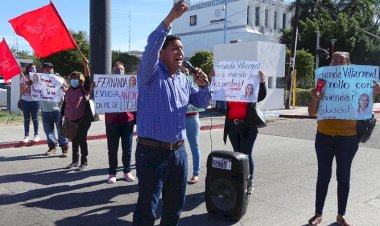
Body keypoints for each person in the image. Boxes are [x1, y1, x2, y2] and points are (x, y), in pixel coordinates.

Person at [132, 1, 212, 225]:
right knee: (147, 209)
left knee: (174, 206)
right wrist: (169, 19)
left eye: (182, 49)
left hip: (178, 154)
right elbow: (151, 46)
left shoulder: (184, 80)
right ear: (162, 54)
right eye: (174, 48)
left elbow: (200, 102)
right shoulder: (150, 73)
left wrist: (204, 86)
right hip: (151, 153)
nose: (180, 52)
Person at [307, 51, 380, 226]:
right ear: (330, 63)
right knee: (323, 176)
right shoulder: (322, 82)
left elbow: (366, 103)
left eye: (341, 60)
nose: (337, 62)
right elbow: (311, 112)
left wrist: (375, 92)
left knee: (344, 177)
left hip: (348, 138)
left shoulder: (359, 82)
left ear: (348, 64)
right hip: (323, 136)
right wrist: (314, 99)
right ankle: (318, 213)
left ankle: (341, 214)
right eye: (334, 59)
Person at [223, 71, 266, 195]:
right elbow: (216, 91)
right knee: (237, 154)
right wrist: (214, 78)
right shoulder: (230, 91)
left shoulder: (250, 91)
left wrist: (262, 82)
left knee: (246, 155)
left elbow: (261, 95)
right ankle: (238, 180)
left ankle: (249, 182)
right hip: (232, 126)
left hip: (248, 126)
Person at [106, 62, 136, 184]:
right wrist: (94, 87)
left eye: (121, 69)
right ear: (112, 71)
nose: (119, 71)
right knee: (112, 149)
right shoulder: (106, 84)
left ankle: (126, 171)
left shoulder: (130, 84)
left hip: (127, 120)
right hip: (112, 121)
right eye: (117, 69)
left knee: (127, 149)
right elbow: (100, 97)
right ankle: (112, 173)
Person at [63, 59, 92, 171]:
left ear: (80, 80)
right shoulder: (69, 90)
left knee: (82, 140)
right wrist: (63, 117)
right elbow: (65, 105)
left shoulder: (84, 89)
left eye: (76, 78)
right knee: (74, 140)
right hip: (71, 120)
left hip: (83, 120)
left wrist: (85, 65)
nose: (74, 79)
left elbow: (88, 77)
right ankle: (75, 161)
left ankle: (84, 162)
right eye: (72, 78)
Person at [40, 62, 69, 157]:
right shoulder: (39, 79)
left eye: (51, 68)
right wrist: (30, 84)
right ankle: (52, 147)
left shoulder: (59, 79)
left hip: (58, 109)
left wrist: (63, 87)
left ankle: (64, 148)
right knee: (48, 131)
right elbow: (33, 90)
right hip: (45, 110)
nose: (49, 70)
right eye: (47, 68)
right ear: (43, 70)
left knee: (61, 130)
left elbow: (67, 89)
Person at [181, 66, 202, 185]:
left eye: (186, 72)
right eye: (182, 72)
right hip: (179, 118)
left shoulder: (194, 84)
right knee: (179, 148)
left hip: (192, 117)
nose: (184, 74)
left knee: (195, 147)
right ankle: (180, 173)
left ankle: (196, 173)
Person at [20, 63, 40, 143]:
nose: (33, 70)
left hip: (35, 101)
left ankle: (36, 135)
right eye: (31, 68)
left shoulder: (39, 78)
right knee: (27, 119)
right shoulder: (23, 78)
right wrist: (28, 85)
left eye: (34, 68)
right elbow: (22, 92)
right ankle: (26, 135)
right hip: (25, 101)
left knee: (35, 118)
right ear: (28, 70)